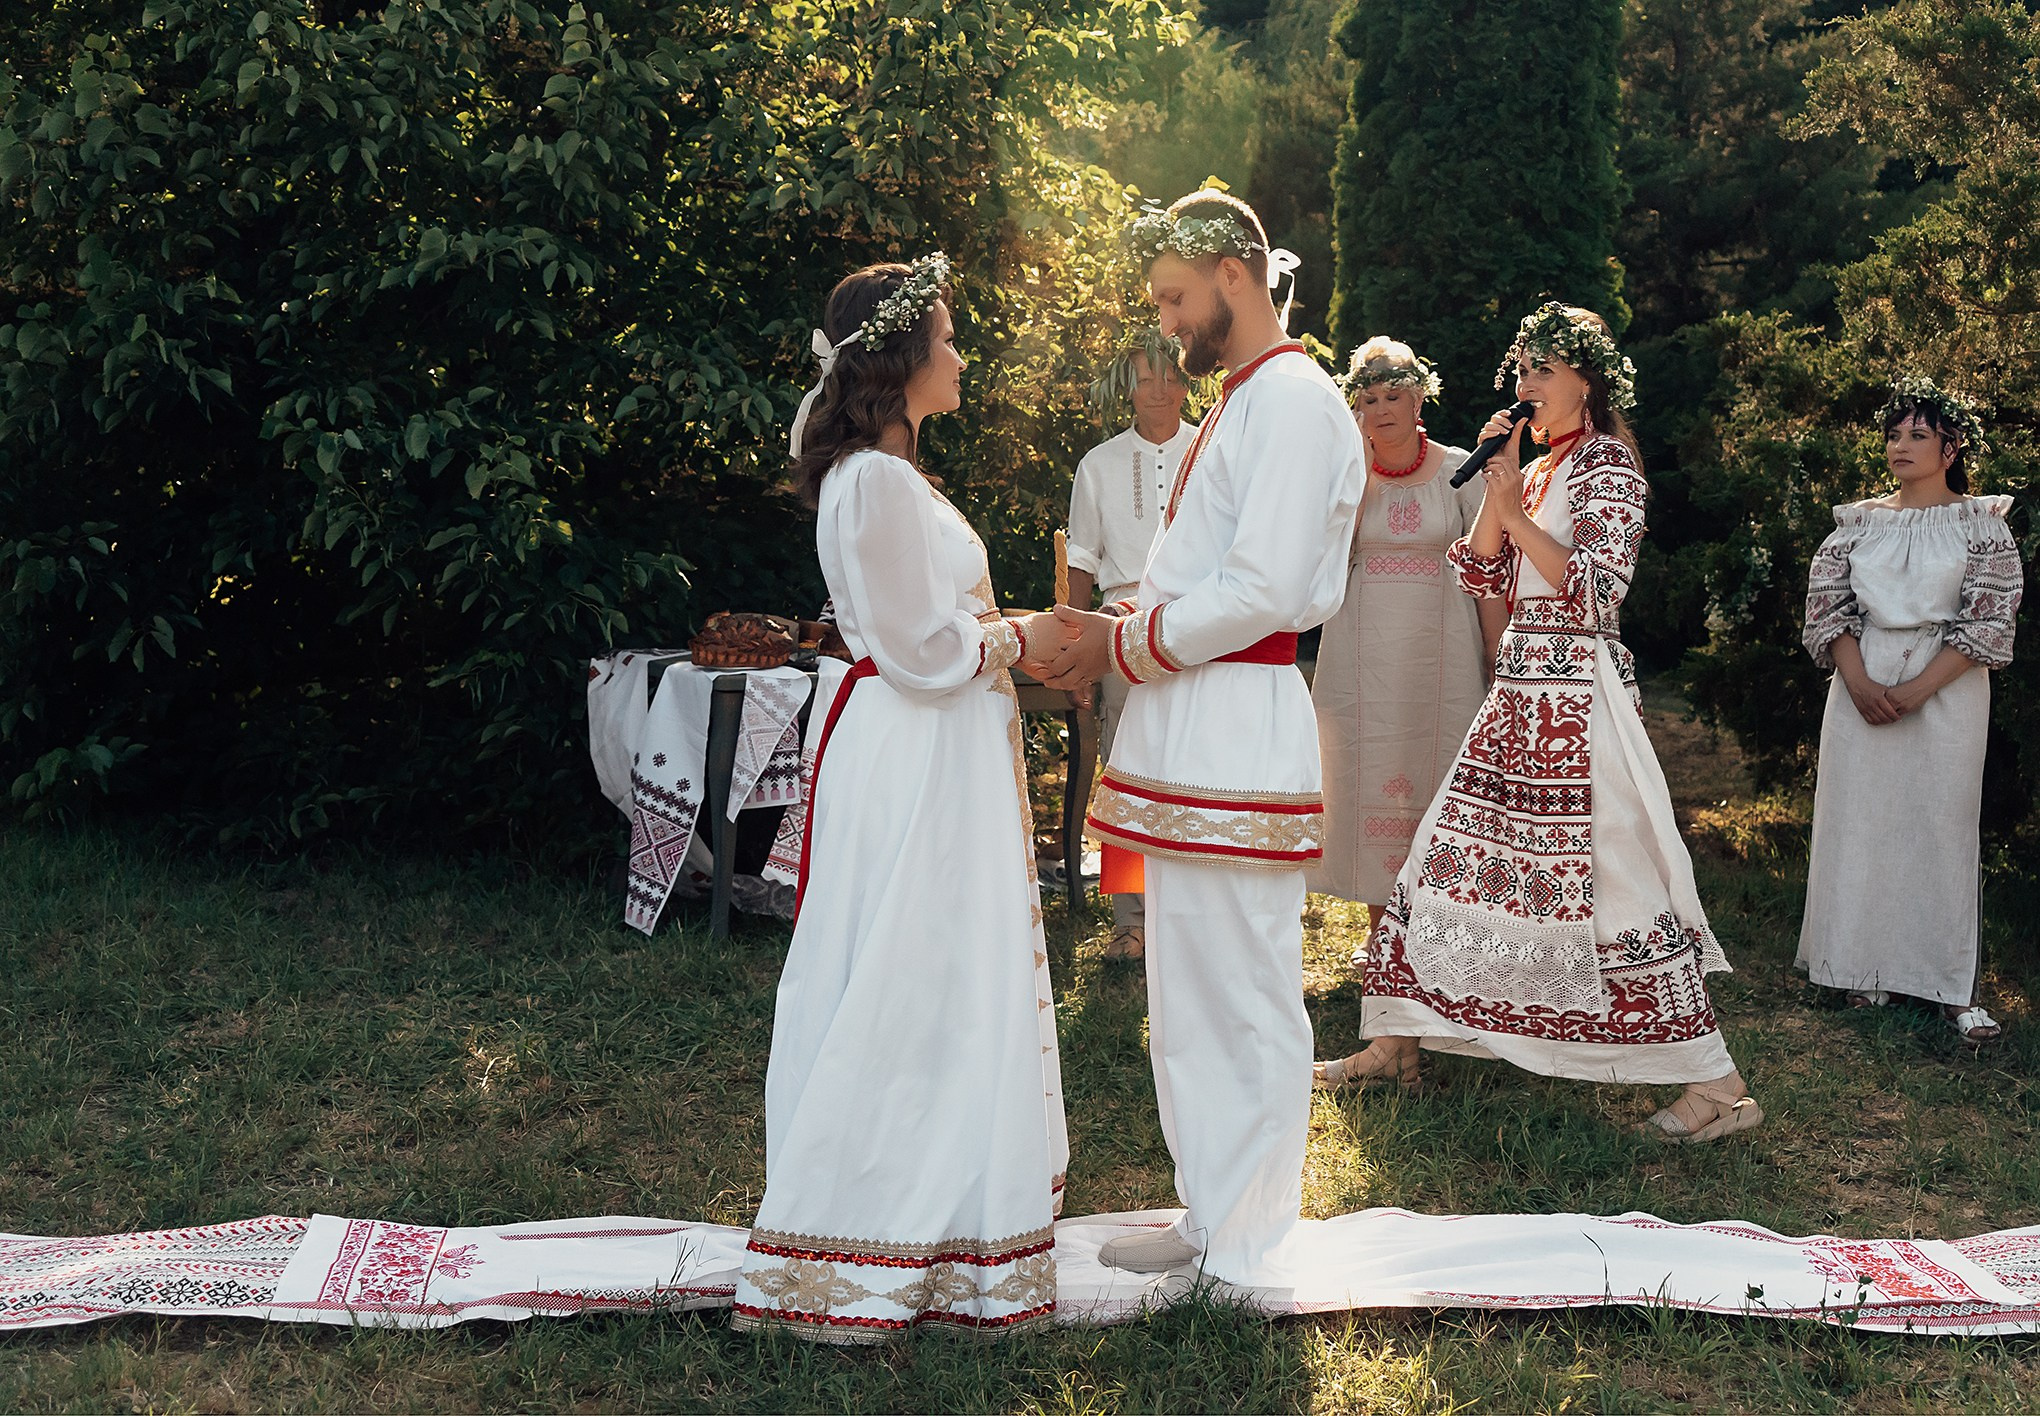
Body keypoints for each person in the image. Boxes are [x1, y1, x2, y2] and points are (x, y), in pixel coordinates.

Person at [732, 255, 1071, 1341]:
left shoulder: (890, 477)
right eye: (951, 336)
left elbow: (926, 624)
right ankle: (865, 1217)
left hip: (937, 746)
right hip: (919, 754)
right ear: (903, 355)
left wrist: (1006, 635)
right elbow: (923, 652)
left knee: (941, 967)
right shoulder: (875, 482)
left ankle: (954, 1203)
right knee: (910, 968)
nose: (963, 355)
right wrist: (1028, 637)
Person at [1037, 191, 1367, 1286]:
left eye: (1175, 298)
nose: (1167, 324)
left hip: (1235, 718)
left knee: (1243, 987)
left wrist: (1122, 645)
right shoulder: (1243, 398)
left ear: (1235, 270)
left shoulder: (1297, 404)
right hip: (1189, 717)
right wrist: (1119, 636)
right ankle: (1208, 1205)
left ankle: (1252, 1236)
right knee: (1184, 983)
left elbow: (1268, 587)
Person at [1349, 304, 1762, 1144]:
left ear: (1588, 379)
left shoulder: (1609, 466)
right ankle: (1394, 1040)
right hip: (1521, 687)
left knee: (1615, 881)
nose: (1526, 386)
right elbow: (1475, 569)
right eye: (1523, 371)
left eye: (1542, 370)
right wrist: (1500, 478)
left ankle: (1719, 1086)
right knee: (1451, 858)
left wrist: (1517, 507)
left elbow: (1596, 588)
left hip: (1579, 690)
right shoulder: (1535, 468)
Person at [1797, 376, 2022, 1044]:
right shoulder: (1858, 524)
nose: (1900, 445)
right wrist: (1860, 680)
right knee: (1860, 823)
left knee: (1938, 827)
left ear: (1951, 447)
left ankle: (1949, 987)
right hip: (1860, 684)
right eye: (1894, 434)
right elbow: (1827, 606)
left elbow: (1989, 619)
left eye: (1917, 435)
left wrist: (1920, 690)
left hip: (1946, 690)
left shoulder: (1981, 527)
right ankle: (1862, 971)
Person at [1309, 340, 1506, 1088]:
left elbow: (1488, 558)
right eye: (1366, 399)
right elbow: (1319, 558)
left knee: (1434, 821)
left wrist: (1496, 652)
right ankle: (1391, 1011)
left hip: (1440, 665)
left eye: (1393, 396)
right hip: (1362, 666)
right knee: (1368, 820)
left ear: (1420, 400)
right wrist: (1346, 482)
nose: (1379, 410)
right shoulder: (1343, 471)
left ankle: (1439, 1005)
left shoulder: (1460, 466)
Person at [1066, 329, 1200, 962]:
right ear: (1130, 387)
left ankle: (1193, 914)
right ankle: (1130, 918)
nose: (1159, 388)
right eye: (1146, 377)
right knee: (1125, 776)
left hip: (1201, 626)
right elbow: (1082, 563)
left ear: (1186, 380)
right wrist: (1075, 652)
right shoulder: (1099, 464)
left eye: (1169, 375)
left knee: (1196, 768)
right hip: (1121, 627)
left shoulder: (1211, 449)